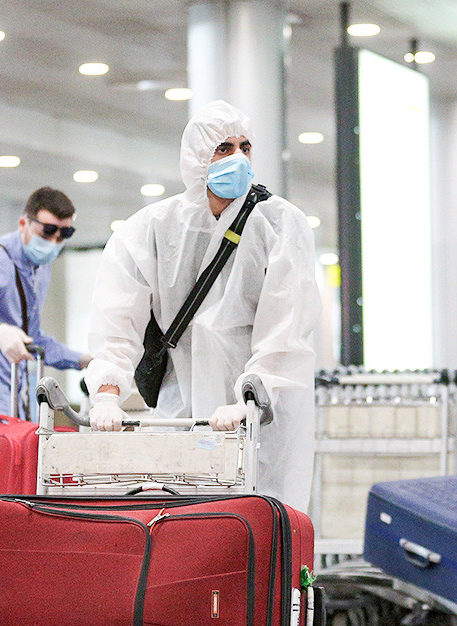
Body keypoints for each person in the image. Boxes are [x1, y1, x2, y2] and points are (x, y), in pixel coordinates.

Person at [85, 98, 321, 512]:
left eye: (245, 148)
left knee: (259, 529)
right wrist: (106, 393)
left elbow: (287, 327)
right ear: (196, 158)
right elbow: (117, 319)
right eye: (223, 149)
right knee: (183, 529)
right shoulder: (150, 229)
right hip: (181, 411)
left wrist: (253, 394)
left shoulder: (280, 223)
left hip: (259, 415)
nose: (238, 159)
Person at [0, 187, 91, 422]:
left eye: (62, 236)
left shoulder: (40, 269)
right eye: (46, 232)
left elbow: (31, 339)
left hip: (12, 391)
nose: (53, 243)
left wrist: (82, 360)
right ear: (23, 223)